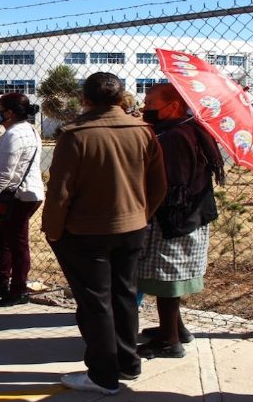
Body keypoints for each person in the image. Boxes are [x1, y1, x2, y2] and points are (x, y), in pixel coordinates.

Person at [42, 72, 167, 395]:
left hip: (85, 233)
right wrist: (141, 214)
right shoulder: (143, 131)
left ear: (85, 98)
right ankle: (127, 363)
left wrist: (53, 232)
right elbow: (158, 186)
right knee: (124, 295)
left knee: (95, 303)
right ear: (119, 97)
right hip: (132, 228)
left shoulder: (75, 134)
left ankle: (102, 375)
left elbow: (59, 193)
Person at [136, 83, 224, 358]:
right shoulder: (190, 127)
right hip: (192, 215)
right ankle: (175, 329)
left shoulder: (173, 136)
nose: (144, 106)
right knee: (171, 279)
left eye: (150, 102)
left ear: (172, 106)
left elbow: (171, 184)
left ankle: (169, 342)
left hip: (174, 219)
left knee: (167, 281)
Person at [0, 93, 44, 306]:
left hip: (20, 196)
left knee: (17, 242)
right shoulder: (22, 131)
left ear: (9, 113)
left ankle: (18, 289)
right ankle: (2, 284)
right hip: (19, 194)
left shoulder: (15, 135)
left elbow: (4, 174)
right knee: (4, 236)